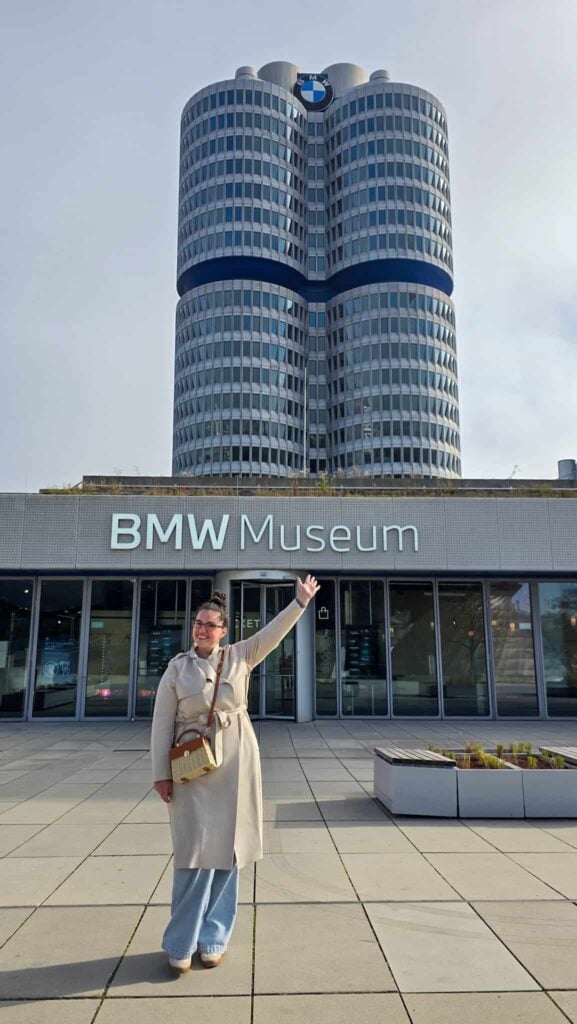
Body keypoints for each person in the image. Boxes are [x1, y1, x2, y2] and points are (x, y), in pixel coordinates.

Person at [151, 573, 320, 975]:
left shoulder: (241, 655)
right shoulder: (177, 669)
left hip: (236, 761)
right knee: (192, 854)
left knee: (229, 852)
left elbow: (273, 634)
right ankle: (180, 942)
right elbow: (161, 723)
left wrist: (299, 603)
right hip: (192, 765)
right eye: (198, 623)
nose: (203, 629)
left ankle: (213, 938)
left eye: (211, 625)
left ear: (223, 631)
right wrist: (161, 774)